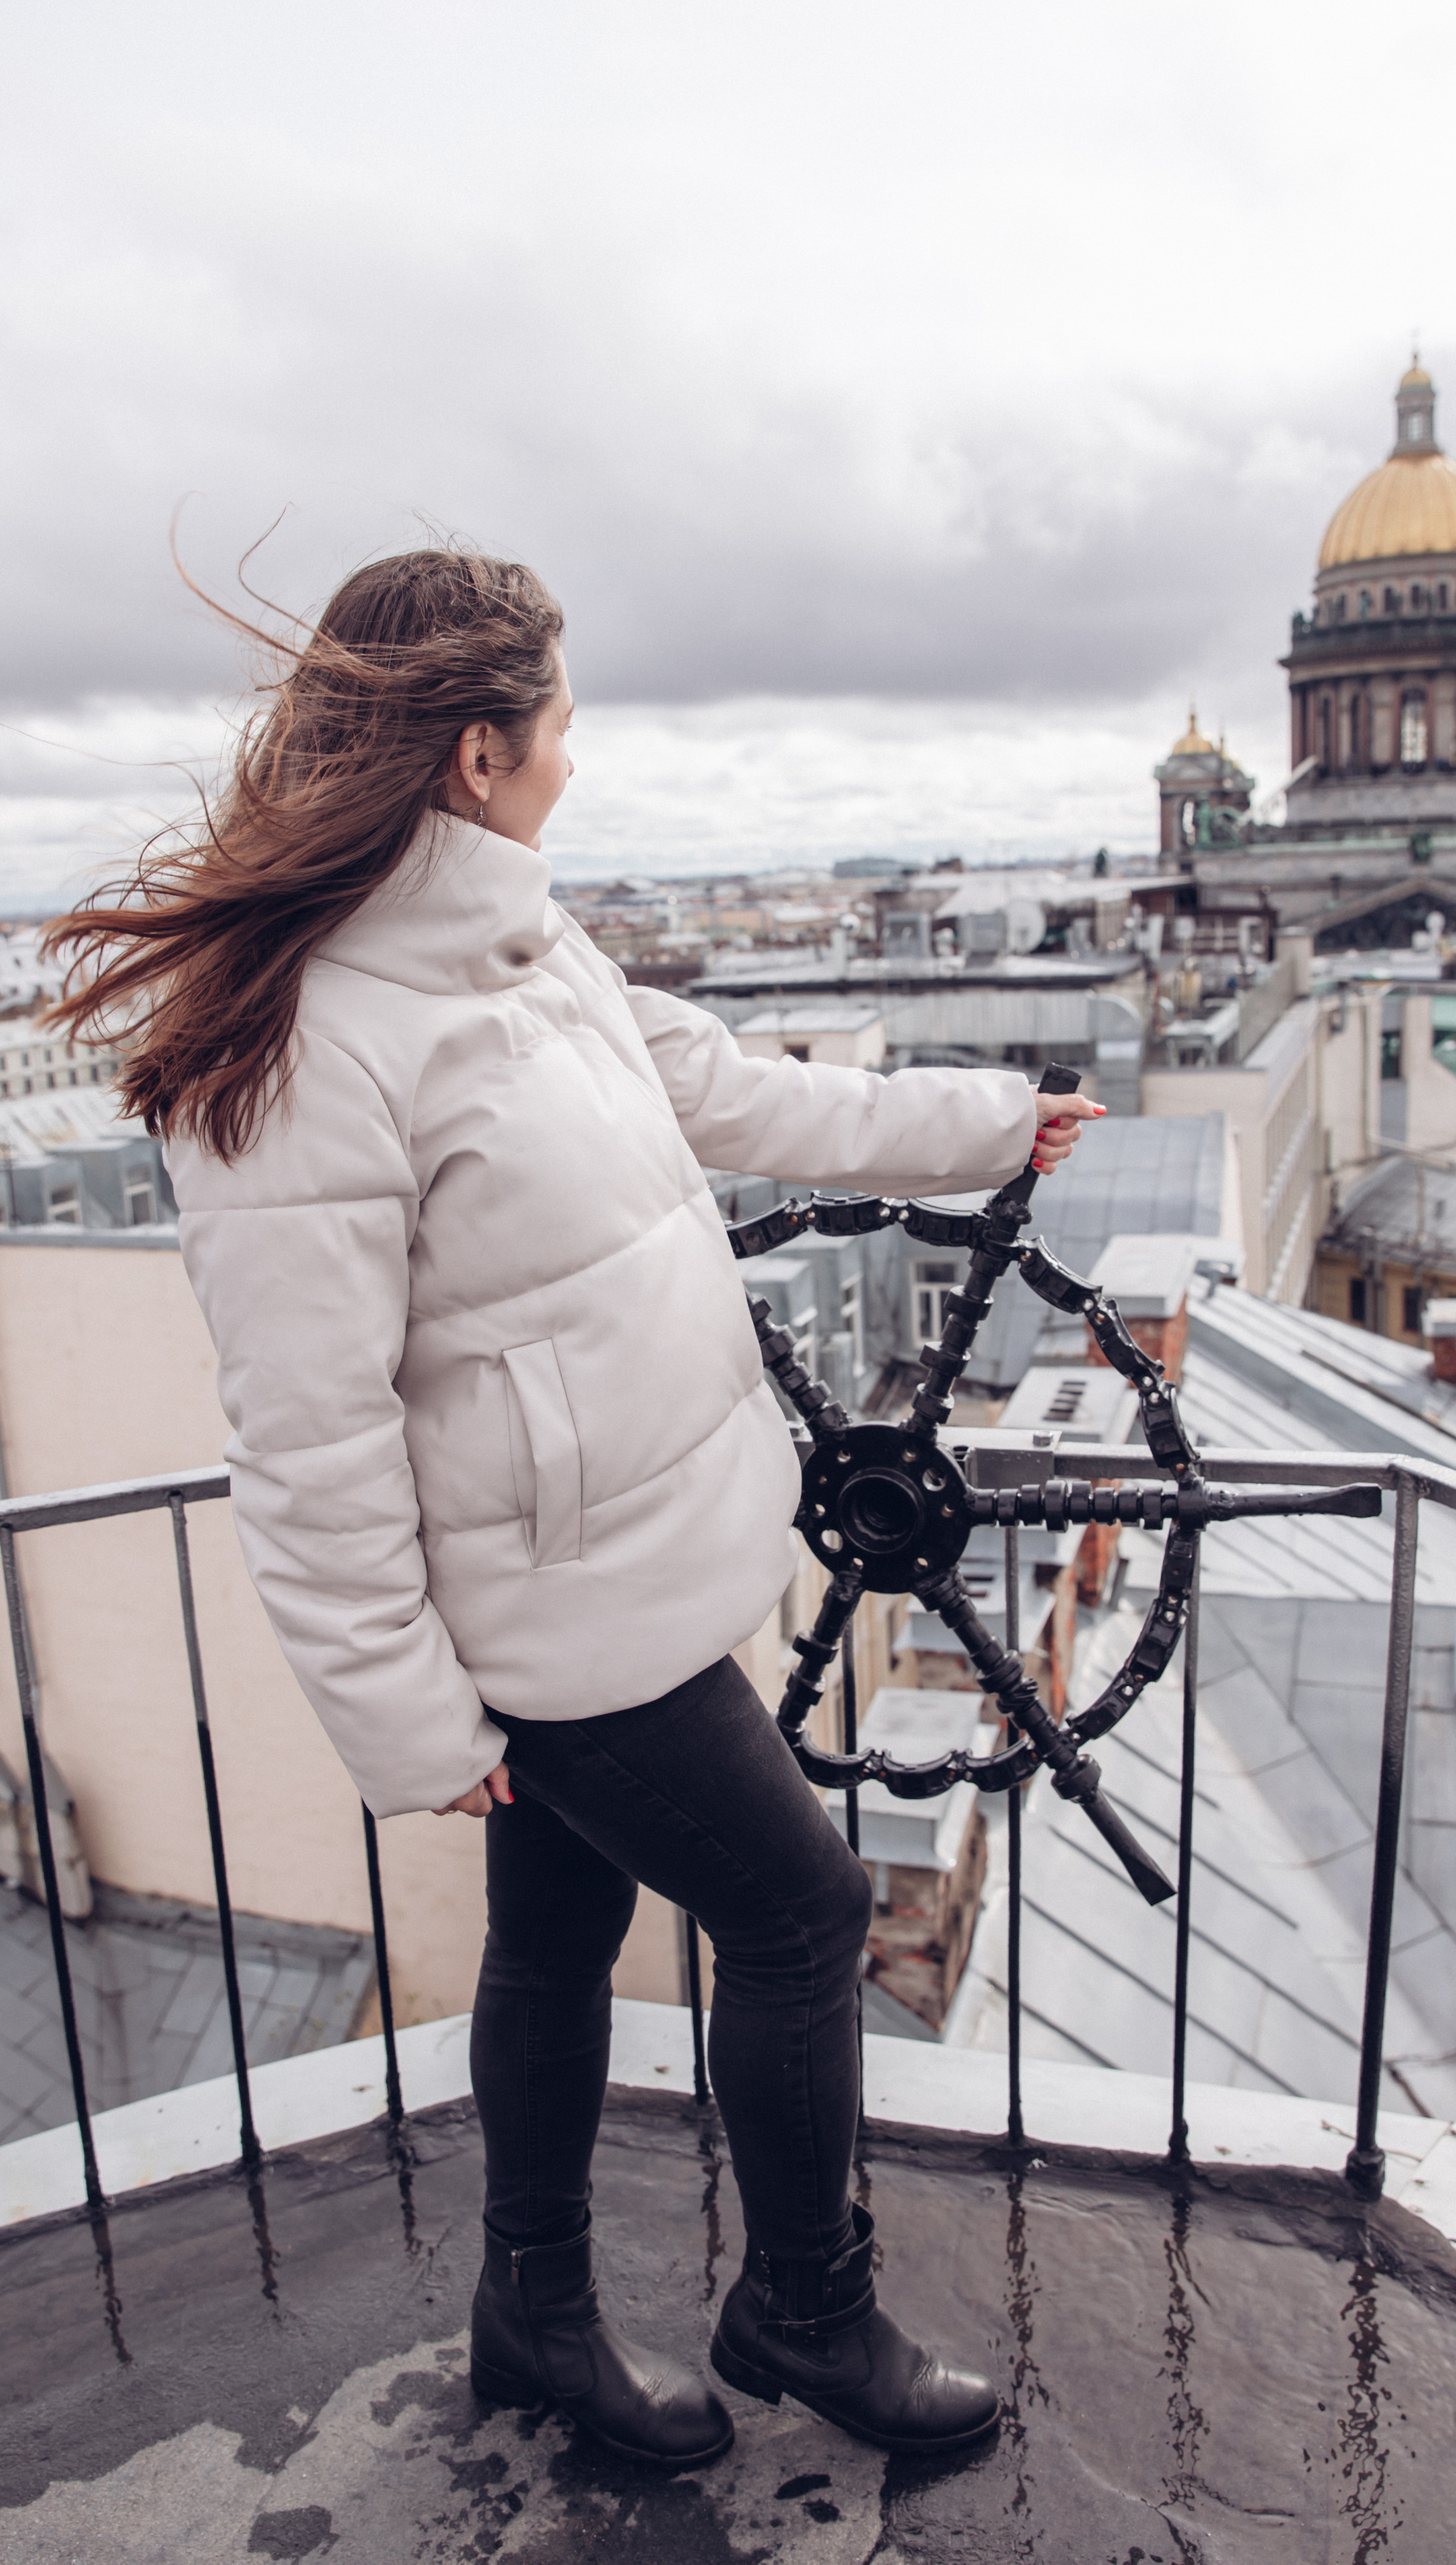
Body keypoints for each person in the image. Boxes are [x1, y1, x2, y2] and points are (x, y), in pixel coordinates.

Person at [47, 550, 1102, 2468]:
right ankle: (807, 2314)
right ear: (479, 753)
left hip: (622, 1569)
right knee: (798, 1913)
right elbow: (306, 1435)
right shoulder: (305, 1049)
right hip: (552, 1618)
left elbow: (719, 1088)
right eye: (559, 721)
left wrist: (978, 1119)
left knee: (552, 1938)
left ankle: (532, 2310)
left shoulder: (523, 948)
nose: (574, 754)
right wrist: (406, 1721)